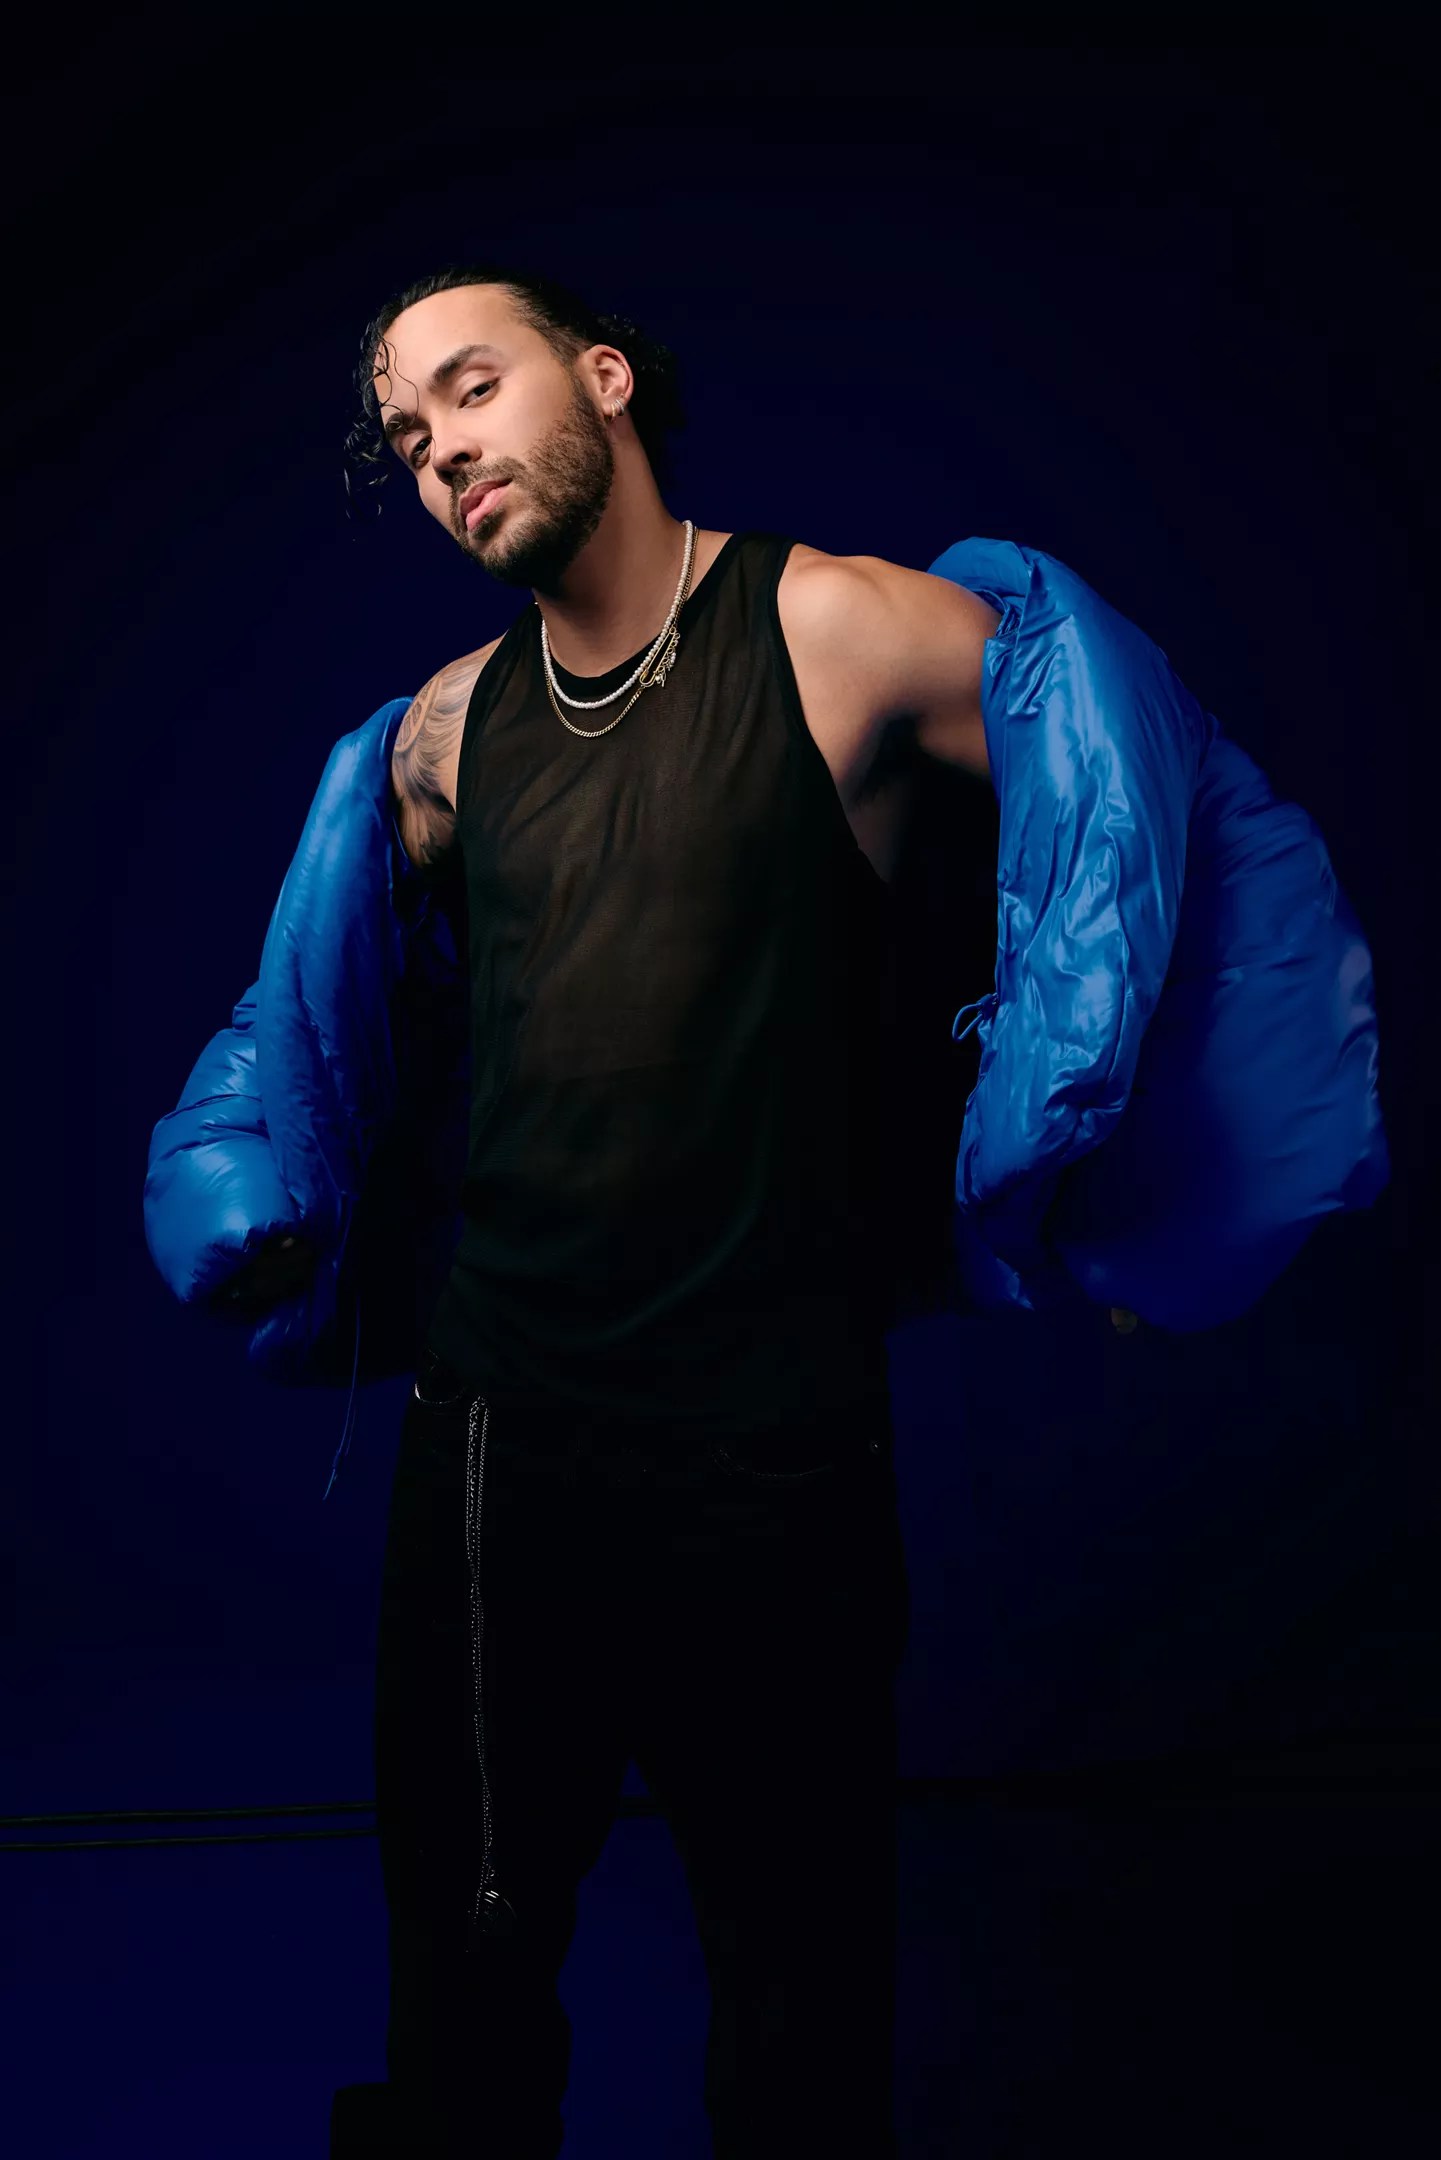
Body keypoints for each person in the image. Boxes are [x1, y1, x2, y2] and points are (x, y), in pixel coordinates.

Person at [306, 261, 1001, 2159]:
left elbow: (1122, 825)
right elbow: (373, 1046)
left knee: (792, 2010)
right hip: (492, 1458)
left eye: (473, 386)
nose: (444, 446)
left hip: (763, 1450)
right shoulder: (444, 741)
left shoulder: (843, 629)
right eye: (409, 433)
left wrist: (1108, 1179)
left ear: (599, 380)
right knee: (458, 1998)